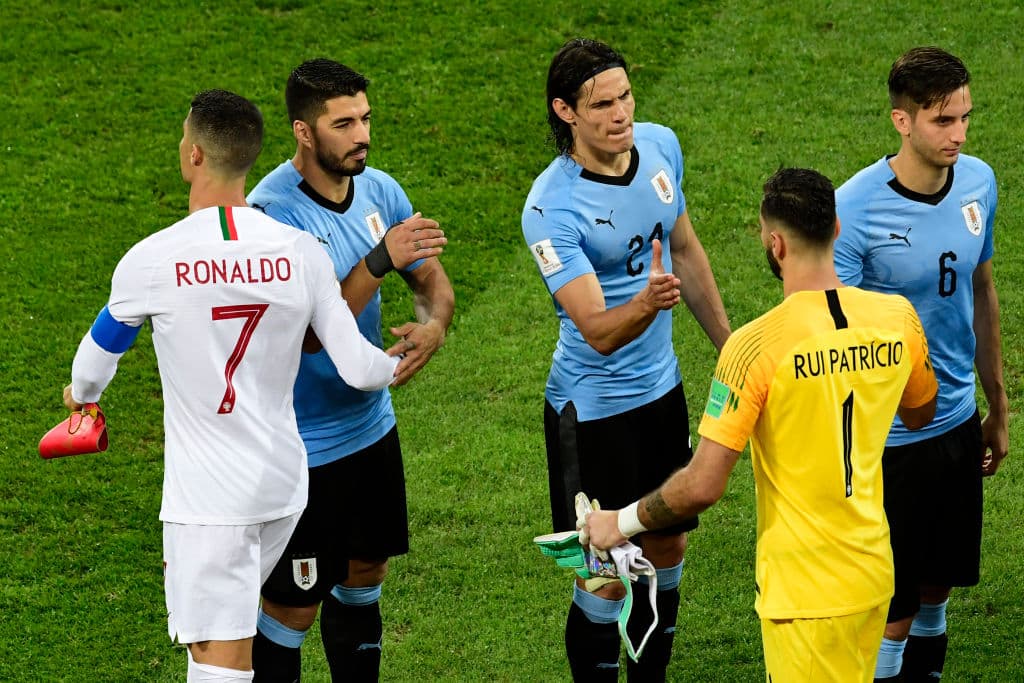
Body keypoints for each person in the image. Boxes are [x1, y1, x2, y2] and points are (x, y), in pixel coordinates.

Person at [61, 89, 401, 682]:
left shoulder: (150, 260)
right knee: (241, 636)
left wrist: (82, 401)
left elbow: (95, 363)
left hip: (210, 501)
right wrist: (399, 360)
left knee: (218, 662)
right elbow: (360, 367)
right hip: (284, 487)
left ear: (193, 155)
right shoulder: (301, 253)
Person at [586, 167, 939, 682]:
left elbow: (702, 485)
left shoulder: (753, 348)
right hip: (872, 574)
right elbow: (920, 410)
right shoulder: (898, 319)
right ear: (836, 229)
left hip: (804, 592)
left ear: (775, 244)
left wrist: (617, 523)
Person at [521, 38, 731, 681]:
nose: (621, 116)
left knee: (668, 543)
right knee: (605, 572)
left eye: (626, 98)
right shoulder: (550, 208)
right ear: (566, 112)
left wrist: (732, 347)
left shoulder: (661, 147)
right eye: (603, 105)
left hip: (661, 393)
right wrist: (646, 304)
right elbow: (597, 330)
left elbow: (686, 249)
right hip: (593, 412)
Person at [247, 58, 454, 682]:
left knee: (366, 574)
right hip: (302, 448)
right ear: (303, 132)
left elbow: (433, 283)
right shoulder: (269, 218)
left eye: (365, 118)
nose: (362, 134)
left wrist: (434, 324)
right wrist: (377, 259)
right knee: (293, 603)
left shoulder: (381, 190)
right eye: (343, 123)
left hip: (370, 431)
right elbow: (307, 338)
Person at [833, 46, 1009, 682]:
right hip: (889, 439)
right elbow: (834, 338)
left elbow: (981, 292)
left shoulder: (980, 182)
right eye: (942, 121)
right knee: (894, 606)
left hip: (957, 422)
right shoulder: (851, 211)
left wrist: (997, 406)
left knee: (938, 590)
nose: (958, 134)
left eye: (964, 117)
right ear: (901, 121)